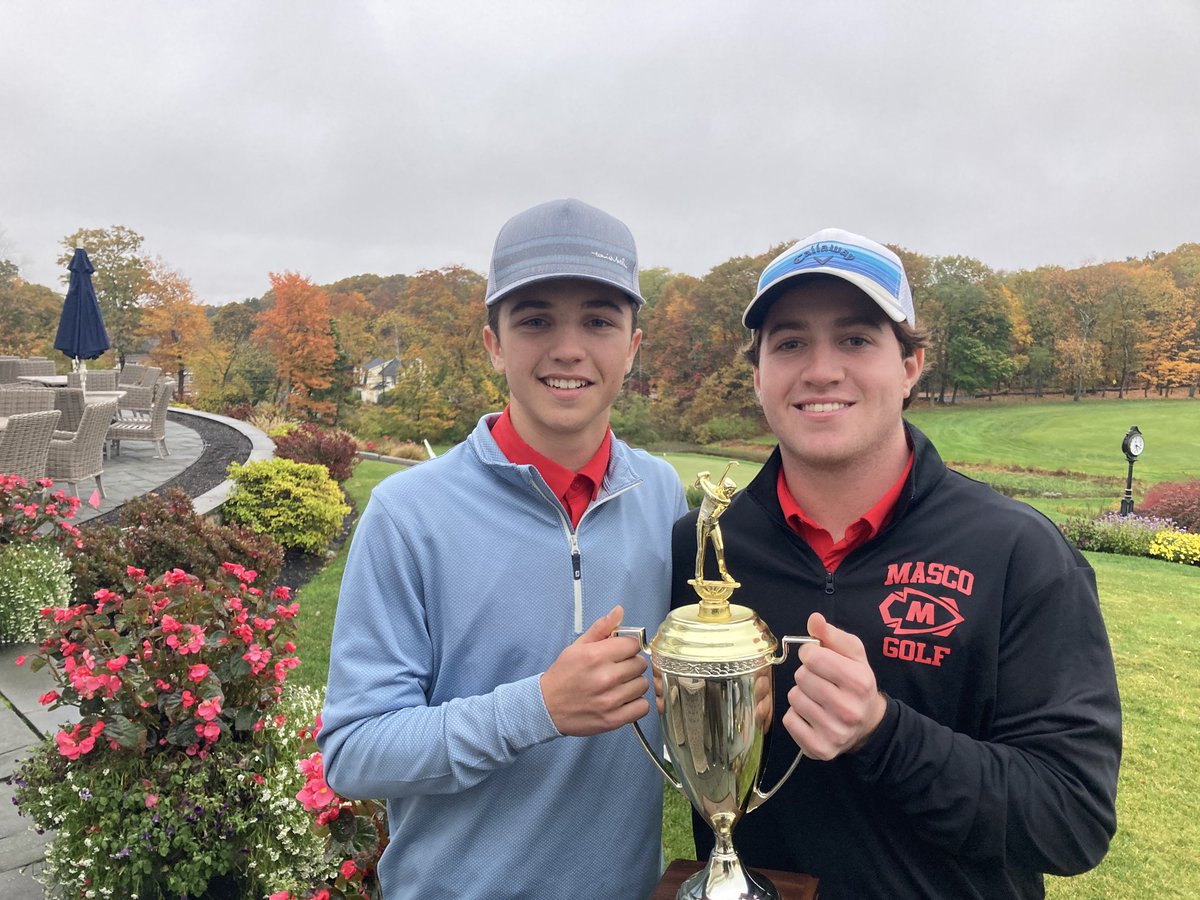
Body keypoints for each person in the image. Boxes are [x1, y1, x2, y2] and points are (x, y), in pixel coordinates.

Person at [669, 228, 1121, 898]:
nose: (821, 369)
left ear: (910, 365)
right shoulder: (705, 546)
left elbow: (1072, 819)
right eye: (790, 342)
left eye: (855, 339)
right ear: (758, 373)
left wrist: (882, 732)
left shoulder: (1017, 552)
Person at [320, 198, 688, 899]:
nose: (569, 347)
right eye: (536, 320)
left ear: (633, 346)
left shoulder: (661, 494)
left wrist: (712, 702)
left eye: (600, 321)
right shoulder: (407, 515)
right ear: (493, 342)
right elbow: (354, 752)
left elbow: (662, 717)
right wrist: (540, 707)